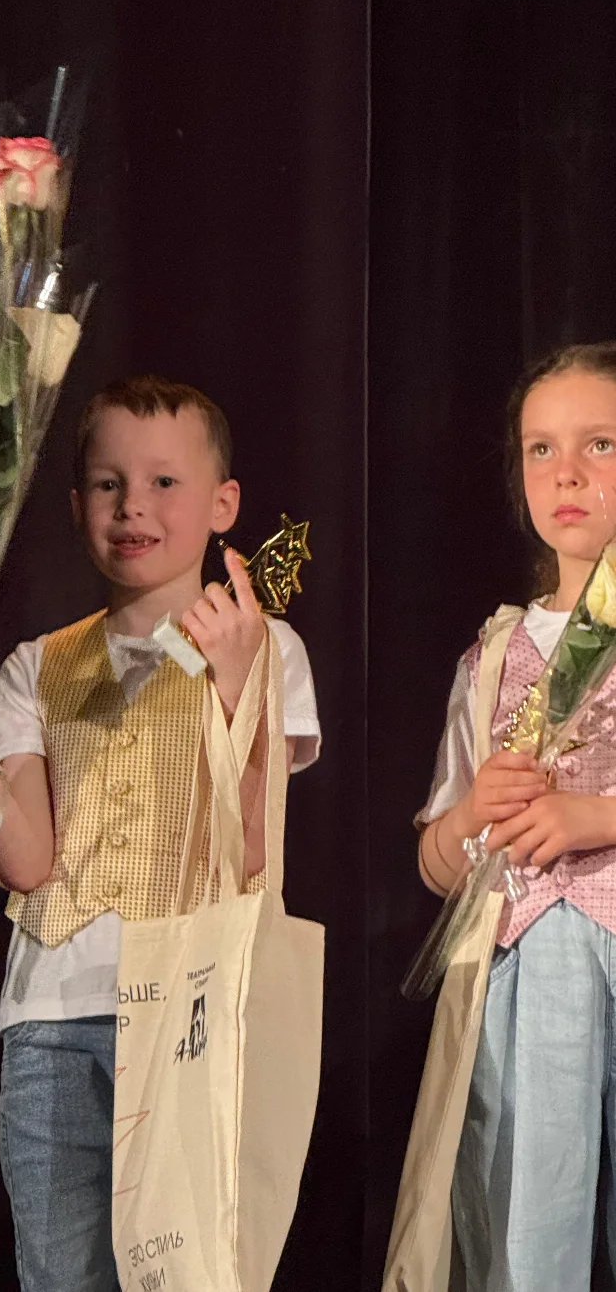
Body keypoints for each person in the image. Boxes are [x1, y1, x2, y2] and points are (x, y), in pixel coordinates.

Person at [0, 375, 320, 1292]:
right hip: (53, 1018)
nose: (133, 505)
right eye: (107, 483)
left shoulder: (265, 646)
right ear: (75, 504)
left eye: (164, 482)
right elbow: (25, 859)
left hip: (190, 1010)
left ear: (222, 504)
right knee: (62, 1274)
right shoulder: (35, 664)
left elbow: (251, 850)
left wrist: (235, 688)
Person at [393, 343, 616, 1292]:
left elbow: (581, 818)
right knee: (529, 1224)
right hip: (528, 965)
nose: (566, 472)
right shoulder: (495, 652)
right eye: (540, 448)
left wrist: (592, 814)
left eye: (600, 443)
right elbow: (441, 860)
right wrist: (471, 818)